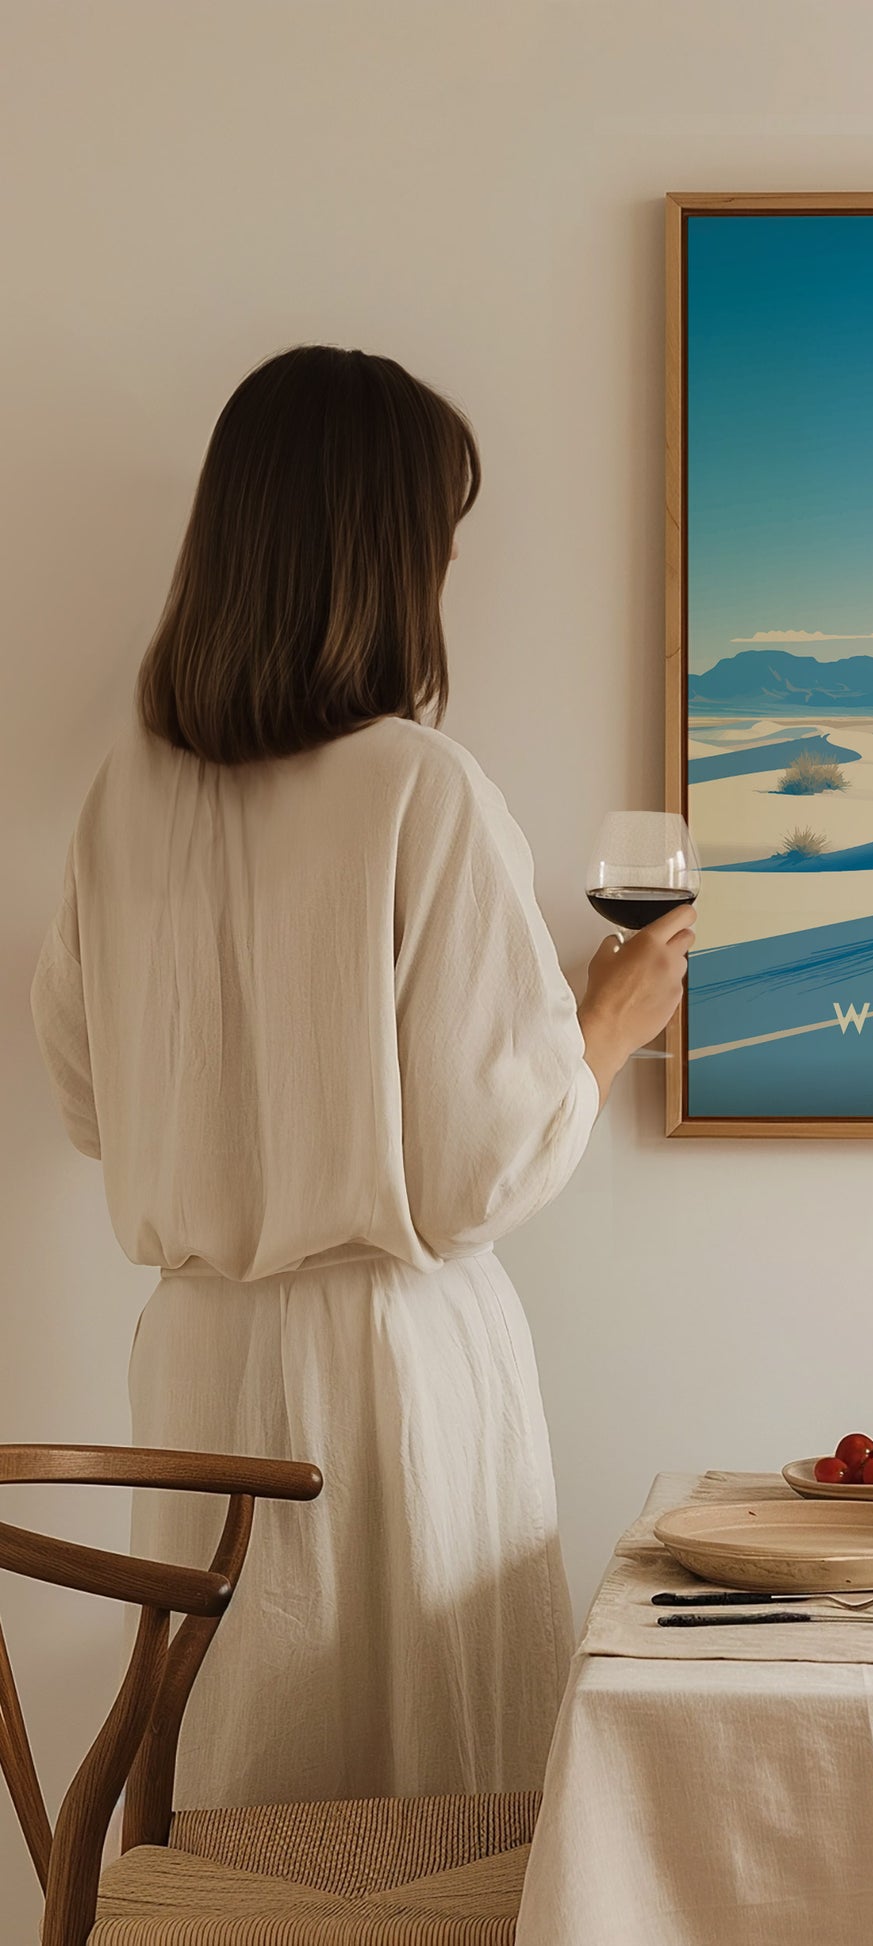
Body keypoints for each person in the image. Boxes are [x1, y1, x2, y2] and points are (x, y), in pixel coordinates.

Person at [29, 345, 690, 1806]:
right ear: (387, 556)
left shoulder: (122, 798)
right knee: (423, 1811)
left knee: (241, 1791)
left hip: (198, 1362)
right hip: (390, 1373)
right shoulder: (418, 785)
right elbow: (474, 1173)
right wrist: (606, 1019)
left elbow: (87, 1101)